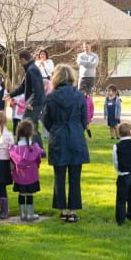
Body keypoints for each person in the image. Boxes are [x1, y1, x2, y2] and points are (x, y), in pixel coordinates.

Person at [43, 64, 90, 223]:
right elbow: (85, 120)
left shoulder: (50, 97)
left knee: (59, 176)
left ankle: (62, 209)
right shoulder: (79, 96)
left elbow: (46, 121)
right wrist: (76, 128)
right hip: (75, 136)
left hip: (59, 136)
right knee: (75, 177)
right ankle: (72, 210)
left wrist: (56, 129)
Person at [8, 50, 45, 150]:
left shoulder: (31, 70)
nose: (19, 63)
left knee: (27, 124)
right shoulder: (30, 69)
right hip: (36, 102)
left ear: (23, 59)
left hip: (35, 103)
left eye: (19, 61)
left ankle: (31, 149)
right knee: (32, 125)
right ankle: (39, 150)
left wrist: (32, 103)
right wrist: (10, 95)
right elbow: (23, 87)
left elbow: (37, 88)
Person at [10, 119, 44, 222]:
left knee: (21, 193)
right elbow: (39, 158)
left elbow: (12, 161)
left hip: (19, 176)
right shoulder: (35, 147)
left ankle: (22, 214)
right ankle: (30, 214)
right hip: (31, 175)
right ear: (31, 132)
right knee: (29, 194)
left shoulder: (14, 148)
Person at [113, 122, 131, 225]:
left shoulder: (116, 146)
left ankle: (120, 219)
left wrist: (119, 171)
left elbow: (115, 161)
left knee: (121, 199)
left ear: (119, 133)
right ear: (130, 133)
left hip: (123, 175)